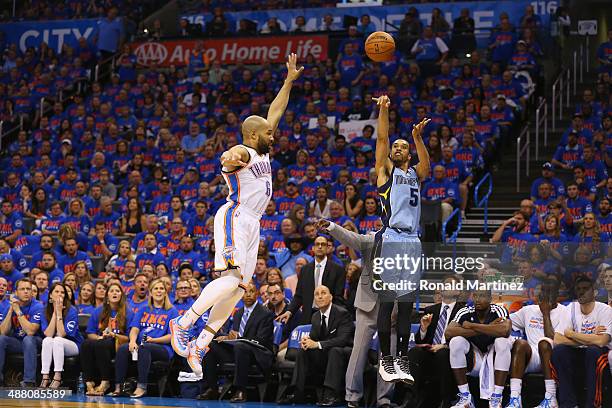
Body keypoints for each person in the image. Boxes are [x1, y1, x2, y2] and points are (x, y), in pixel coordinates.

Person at [170, 54, 303, 376]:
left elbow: (275, 111)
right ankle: (183, 321)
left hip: (252, 222)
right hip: (235, 215)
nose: (275, 136)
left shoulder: (260, 148)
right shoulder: (245, 151)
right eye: (269, 134)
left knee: (239, 287)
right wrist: (229, 155)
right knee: (229, 279)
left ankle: (202, 341)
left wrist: (288, 82)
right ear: (255, 135)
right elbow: (232, 155)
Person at [372, 94, 430, 382]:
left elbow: (426, 167)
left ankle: (402, 358)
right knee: (387, 302)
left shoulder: (415, 173)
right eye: (395, 145)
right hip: (392, 238)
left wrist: (417, 138)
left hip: (413, 241)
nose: (396, 148)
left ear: (409, 154)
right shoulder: (385, 172)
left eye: (402, 146)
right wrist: (383, 110)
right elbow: (381, 140)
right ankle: (385, 358)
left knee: (406, 303)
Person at [316, 219, 395, 408]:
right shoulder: (370, 241)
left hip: (392, 308)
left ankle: (384, 400)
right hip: (367, 306)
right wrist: (331, 226)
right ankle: (352, 397)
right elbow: (349, 237)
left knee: (388, 356)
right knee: (358, 353)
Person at [197, 282, 274, 403]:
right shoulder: (238, 313)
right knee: (210, 346)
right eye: (244, 292)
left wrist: (239, 338)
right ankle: (212, 388)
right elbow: (234, 335)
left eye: (251, 291)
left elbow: (262, 340)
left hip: (257, 353)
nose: (248, 295)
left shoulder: (266, 313)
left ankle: (240, 390)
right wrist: (227, 338)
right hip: (239, 351)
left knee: (240, 346)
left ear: (257, 294)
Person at [278, 285, 354, 405]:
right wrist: (307, 341)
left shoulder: (342, 314)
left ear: (330, 297)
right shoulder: (315, 316)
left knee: (336, 350)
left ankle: (331, 394)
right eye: (317, 294)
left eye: (323, 293)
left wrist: (317, 344)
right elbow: (314, 338)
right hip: (326, 353)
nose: (320, 296)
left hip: (344, 353)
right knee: (303, 351)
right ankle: (296, 392)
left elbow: (342, 340)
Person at [504, 278, 565, 408]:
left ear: (556, 295)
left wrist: (546, 314)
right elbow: (506, 322)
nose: (544, 295)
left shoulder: (565, 312)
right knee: (520, 343)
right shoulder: (528, 310)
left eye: (549, 292)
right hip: (534, 357)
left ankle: (551, 399)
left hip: (553, 356)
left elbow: (554, 339)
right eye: (542, 291)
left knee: (544, 342)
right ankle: (515, 398)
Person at [552, 275, 611, 408]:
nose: (581, 292)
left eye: (585, 288)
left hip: (600, 355)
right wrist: (589, 338)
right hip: (579, 352)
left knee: (593, 351)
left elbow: (602, 341)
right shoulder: (570, 309)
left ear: (594, 291)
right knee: (559, 351)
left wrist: (572, 334)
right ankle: (569, 404)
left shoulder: (605, 310)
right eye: (578, 289)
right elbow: (558, 339)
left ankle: (593, 404)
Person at [112, 278, 178, 398]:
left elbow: (172, 336)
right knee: (123, 348)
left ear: (165, 292)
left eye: (161, 289)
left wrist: (154, 340)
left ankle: (142, 387)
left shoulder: (172, 311)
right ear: (151, 293)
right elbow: (135, 328)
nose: (159, 291)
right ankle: (118, 386)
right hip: (142, 344)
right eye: (156, 289)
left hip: (163, 348)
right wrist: (132, 341)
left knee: (144, 348)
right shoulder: (143, 309)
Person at [445, 290, 511, 408]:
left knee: (502, 342)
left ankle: (497, 397)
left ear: (490, 299)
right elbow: (449, 332)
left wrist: (472, 326)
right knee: (456, 342)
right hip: (475, 357)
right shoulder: (465, 311)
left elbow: (505, 331)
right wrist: (489, 327)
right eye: (475, 296)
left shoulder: (498, 310)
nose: (477, 299)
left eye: (482, 296)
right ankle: (465, 396)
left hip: (494, 358)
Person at [408, 275, 465, 408]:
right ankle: (412, 397)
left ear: (458, 291)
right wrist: (423, 328)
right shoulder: (430, 310)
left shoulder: (463, 311)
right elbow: (419, 340)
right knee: (415, 351)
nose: (446, 286)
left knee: (443, 354)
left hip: (451, 352)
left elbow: (465, 338)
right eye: (444, 284)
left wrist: (444, 345)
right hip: (430, 350)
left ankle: (445, 400)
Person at [276, 236, 345, 325]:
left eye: (323, 244)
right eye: (317, 244)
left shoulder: (338, 270)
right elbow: (299, 296)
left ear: (327, 248)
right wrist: (289, 311)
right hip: (308, 316)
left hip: (329, 317)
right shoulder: (305, 270)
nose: (320, 247)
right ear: (313, 248)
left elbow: (338, 297)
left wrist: (335, 318)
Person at [81, 282, 132, 396]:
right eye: (112, 291)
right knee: (86, 344)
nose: (114, 293)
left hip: (118, 342)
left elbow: (129, 337)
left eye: (117, 291)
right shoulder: (98, 311)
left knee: (102, 344)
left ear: (121, 295)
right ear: (107, 295)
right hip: (102, 340)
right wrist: (100, 337)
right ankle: (89, 382)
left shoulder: (128, 312)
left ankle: (105, 381)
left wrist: (114, 335)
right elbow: (90, 333)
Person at [0, 278, 43, 387]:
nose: (26, 291)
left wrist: (18, 311)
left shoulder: (38, 306)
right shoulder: (11, 306)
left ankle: (29, 381)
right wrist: (11, 310)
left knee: (28, 339)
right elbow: (3, 331)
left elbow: (30, 331)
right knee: (1, 339)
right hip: (18, 342)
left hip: (36, 341)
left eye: (28, 289)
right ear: (16, 292)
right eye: (22, 289)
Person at [39, 282, 83, 389]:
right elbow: (48, 334)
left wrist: (59, 313)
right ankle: (45, 377)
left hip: (74, 345)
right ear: (50, 295)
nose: (60, 294)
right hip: (55, 343)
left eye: (62, 292)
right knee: (47, 340)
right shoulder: (45, 310)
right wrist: (55, 312)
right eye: (57, 291)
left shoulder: (71, 310)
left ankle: (57, 377)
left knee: (58, 339)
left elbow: (61, 334)